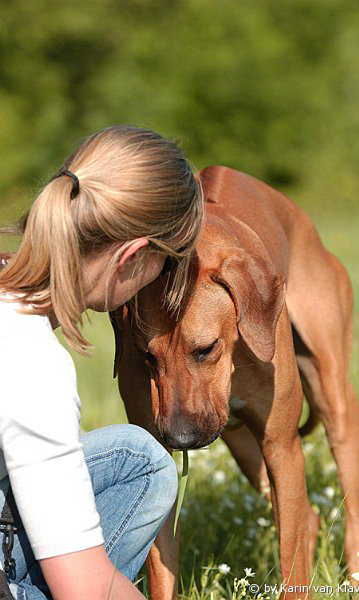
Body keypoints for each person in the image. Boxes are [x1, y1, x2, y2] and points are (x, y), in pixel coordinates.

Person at [0, 125, 204, 599]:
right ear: (131, 257)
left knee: (140, 462)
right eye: (168, 265)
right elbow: (86, 590)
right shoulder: (31, 362)